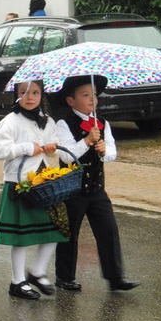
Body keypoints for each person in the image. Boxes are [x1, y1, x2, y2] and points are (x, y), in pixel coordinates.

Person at [54, 75, 140, 292]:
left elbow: (112, 152)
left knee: (108, 229)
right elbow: (66, 156)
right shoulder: (63, 123)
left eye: (94, 95)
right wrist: (87, 141)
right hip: (72, 189)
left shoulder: (102, 123)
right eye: (85, 95)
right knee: (69, 233)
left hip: (96, 188)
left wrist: (103, 152)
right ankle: (64, 277)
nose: (92, 100)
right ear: (71, 101)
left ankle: (115, 277)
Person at [0, 80, 69, 300]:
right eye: (24, 92)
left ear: (41, 94)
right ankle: (17, 282)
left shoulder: (48, 120)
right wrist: (26, 148)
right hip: (19, 183)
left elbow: (54, 144)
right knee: (21, 238)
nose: (29, 96)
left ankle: (37, 272)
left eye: (35, 92)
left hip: (46, 183)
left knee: (56, 229)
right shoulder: (10, 121)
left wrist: (52, 146)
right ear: (17, 94)